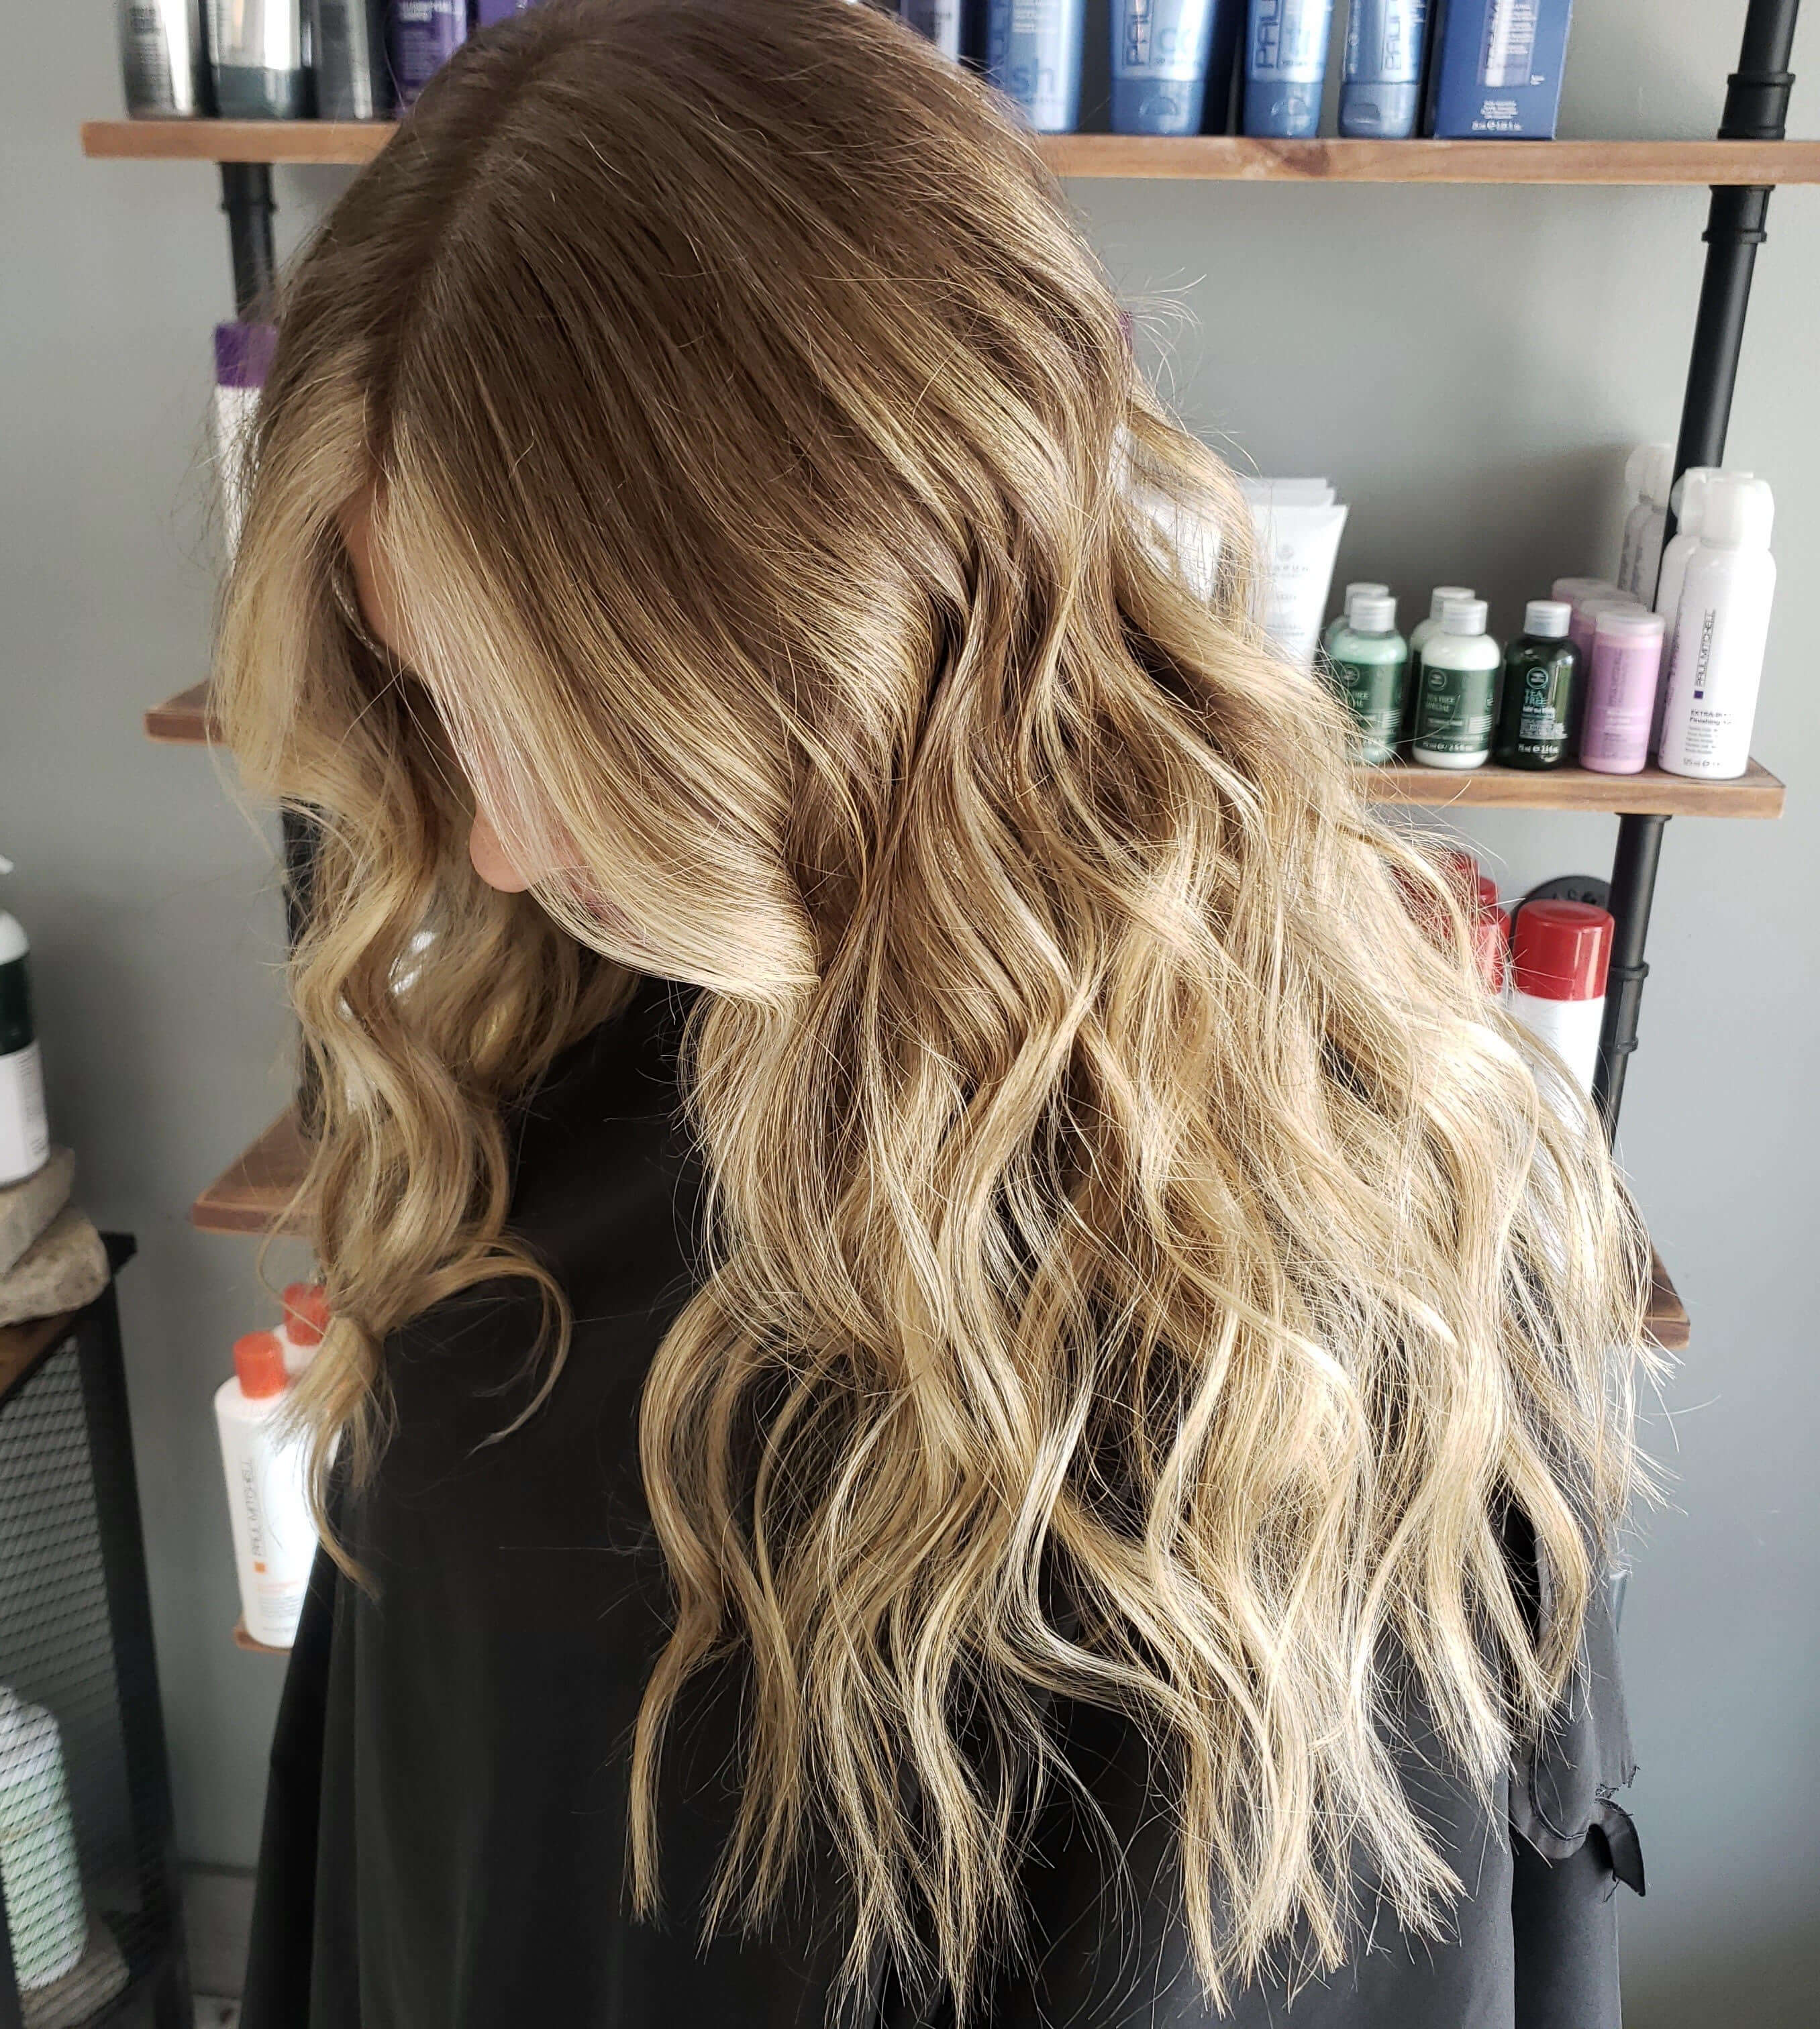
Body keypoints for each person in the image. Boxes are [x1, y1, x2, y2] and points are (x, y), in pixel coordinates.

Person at [215, 1, 1646, 2021]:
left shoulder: (1282, 1321)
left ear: (862, 620)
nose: (504, 844)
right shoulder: (555, 1027)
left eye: (587, 727)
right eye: (440, 704)